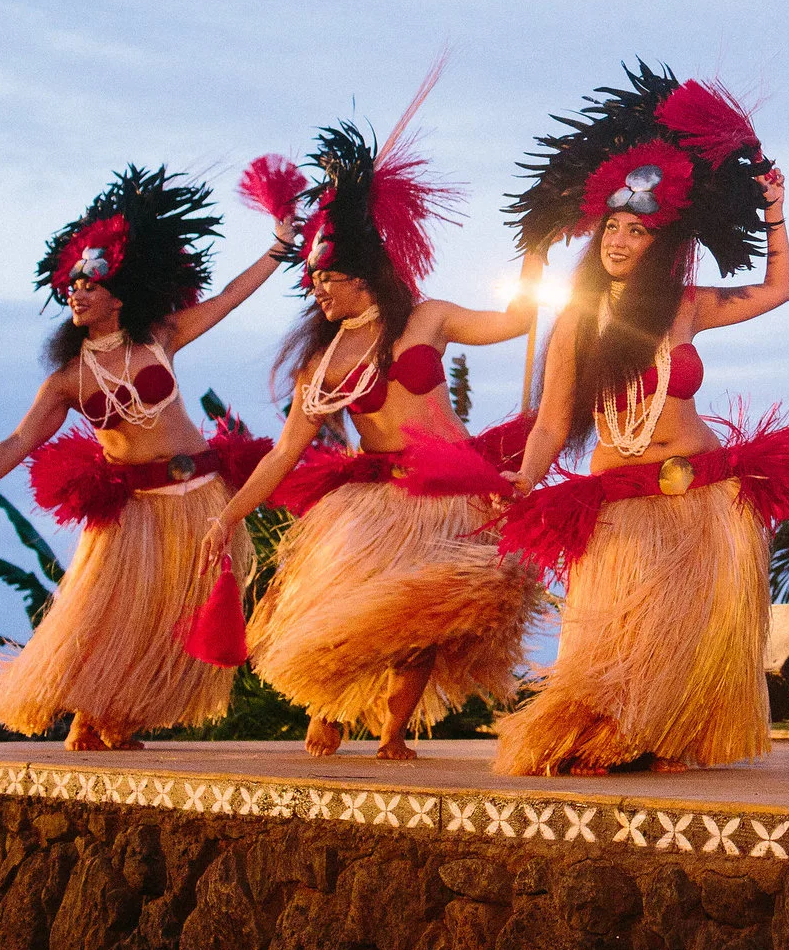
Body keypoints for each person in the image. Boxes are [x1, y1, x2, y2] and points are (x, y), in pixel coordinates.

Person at [491, 66, 789, 776]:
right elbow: (550, 425)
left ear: (658, 243)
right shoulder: (579, 326)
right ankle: (616, 732)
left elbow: (781, 290)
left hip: (700, 492)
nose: (617, 238)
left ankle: (665, 735)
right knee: (618, 632)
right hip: (620, 499)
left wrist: (775, 211)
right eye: (611, 225)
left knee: (682, 629)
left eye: (635, 230)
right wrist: (524, 480)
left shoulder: (687, 304)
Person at [204, 114, 546, 760]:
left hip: (449, 491)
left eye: (326, 279)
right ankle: (329, 703)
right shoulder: (323, 361)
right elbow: (284, 452)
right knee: (349, 605)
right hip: (377, 497)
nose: (317, 290)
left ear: (361, 274)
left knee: (419, 620)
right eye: (314, 280)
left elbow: (515, 321)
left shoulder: (428, 317)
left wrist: (534, 256)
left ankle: (393, 731)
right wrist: (229, 513)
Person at [0, 168, 286, 749]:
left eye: (88, 283)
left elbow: (228, 298)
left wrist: (279, 246)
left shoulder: (159, 339)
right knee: (110, 617)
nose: (75, 291)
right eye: (70, 285)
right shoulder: (67, 381)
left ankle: (113, 718)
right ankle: (90, 716)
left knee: (174, 616)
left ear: (118, 293)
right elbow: (20, 442)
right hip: (132, 514)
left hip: (198, 499)